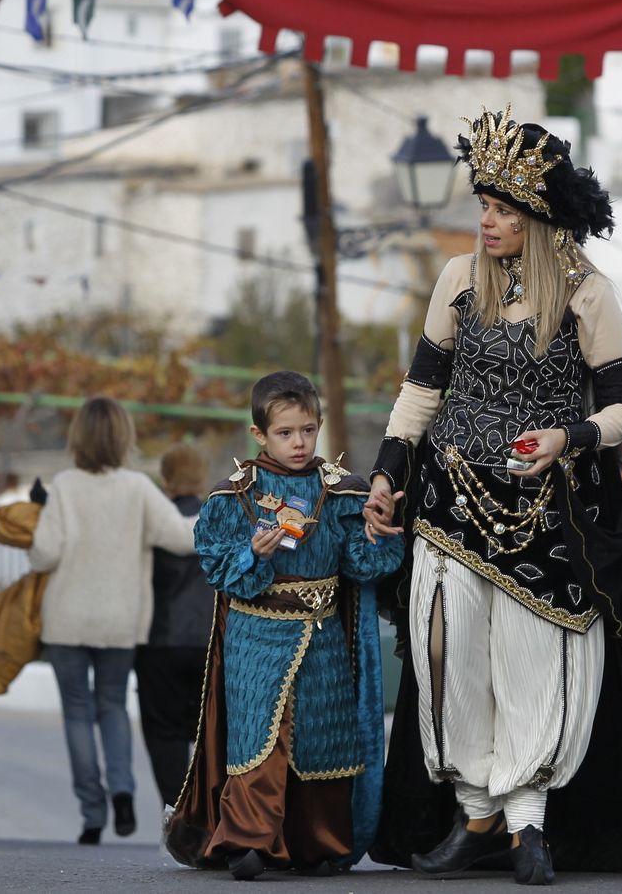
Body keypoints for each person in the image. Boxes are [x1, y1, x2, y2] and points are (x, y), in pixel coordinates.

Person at [364, 105, 622, 885]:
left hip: (547, 516)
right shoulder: (457, 278)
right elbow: (420, 390)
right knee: (446, 656)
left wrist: (567, 437)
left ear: (537, 216)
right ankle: (474, 816)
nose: (488, 220)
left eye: (503, 209)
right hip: (449, 501)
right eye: (484, 204)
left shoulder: (586, 291)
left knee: (533, 664)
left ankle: (527, 825)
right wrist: (387, 474)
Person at [165, 371, 403, 880]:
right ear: (259, 434)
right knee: (259, 740)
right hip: (255, 638)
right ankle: (249, 841)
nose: (299, 442)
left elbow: (362, 567)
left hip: (324, 637)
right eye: (285, 432)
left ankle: (319, 844)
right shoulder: (233, 497)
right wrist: (251, 553)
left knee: (323, 738)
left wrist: (376, 531)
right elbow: (217, 569)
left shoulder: (343, 493)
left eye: (308, 430)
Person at [27, 396, 197, 845]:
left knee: (77, 712)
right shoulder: (138, 488)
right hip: (121, 622)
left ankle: (92, 813)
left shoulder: (64, 487)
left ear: (77, 437)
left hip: (66, 620)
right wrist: (231, 512)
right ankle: (123, 791)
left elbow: (44, 555)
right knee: (113, 706)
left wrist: (38, 517)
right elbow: (183, 538)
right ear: (125, 437)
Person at [134, 443, 216, 811]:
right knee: (212, 736)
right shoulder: (220, 521)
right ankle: (209, 815)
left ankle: (177, 816)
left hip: (160, 643)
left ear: (165, 479)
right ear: (202, 478)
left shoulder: (155, 526)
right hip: (211, 644)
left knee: (165, 735)